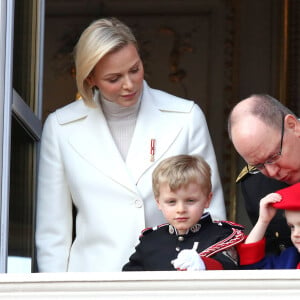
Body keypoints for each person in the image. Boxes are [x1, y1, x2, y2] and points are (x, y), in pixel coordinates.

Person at [36, 17, 226, 272]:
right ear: (90, 78)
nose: (129, 84)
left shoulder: (186, 117)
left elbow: (212, 214)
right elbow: (53, 233)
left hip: (173, 279)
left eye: (134, 70)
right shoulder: (61, 127)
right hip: (92, 283)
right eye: (114, 78)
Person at [122, 155, 245, 271]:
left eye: (190, 201)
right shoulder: (150, 241)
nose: (181, 209)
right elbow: (129, 282)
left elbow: (230, 272)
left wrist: (204, 264)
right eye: (171, 202)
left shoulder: (222, 236)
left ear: (207, 200)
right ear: (158, 202)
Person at [228, 94, 300, 254]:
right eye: (258, 165)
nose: (273, 172)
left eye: (274, 156)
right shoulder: (254, 185)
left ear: (292, 125)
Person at [237, 183, 300, 269]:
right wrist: (263, 221)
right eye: (292, 227)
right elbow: (251, 265)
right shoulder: (291, 258)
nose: (296, 234)